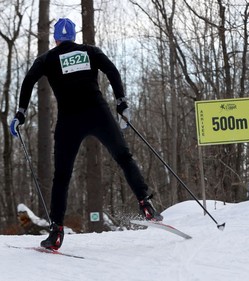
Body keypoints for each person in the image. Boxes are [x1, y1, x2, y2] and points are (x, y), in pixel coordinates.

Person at [10, 18, 162, 250]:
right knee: (124, 157)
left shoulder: (48, 58)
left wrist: (20, 114)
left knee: (62, 176)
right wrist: (121, 102)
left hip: (69, 121)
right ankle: (145, 204)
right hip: (98, 114)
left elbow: (28, 81)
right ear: (73, 36)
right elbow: (111, 70)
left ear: (55, 38)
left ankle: (56, 232)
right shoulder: (89, 51)